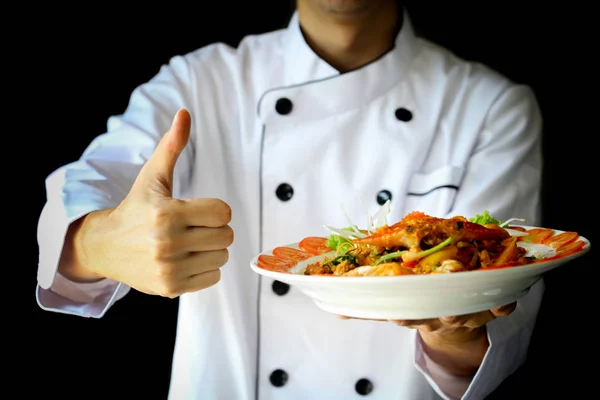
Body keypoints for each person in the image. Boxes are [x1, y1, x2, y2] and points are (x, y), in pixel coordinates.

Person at [35, 1, 545, 399]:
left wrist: (454, 334)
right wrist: (95, 242)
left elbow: (498, 326)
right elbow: (89, 180)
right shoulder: (201, 82)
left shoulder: (490, 107)